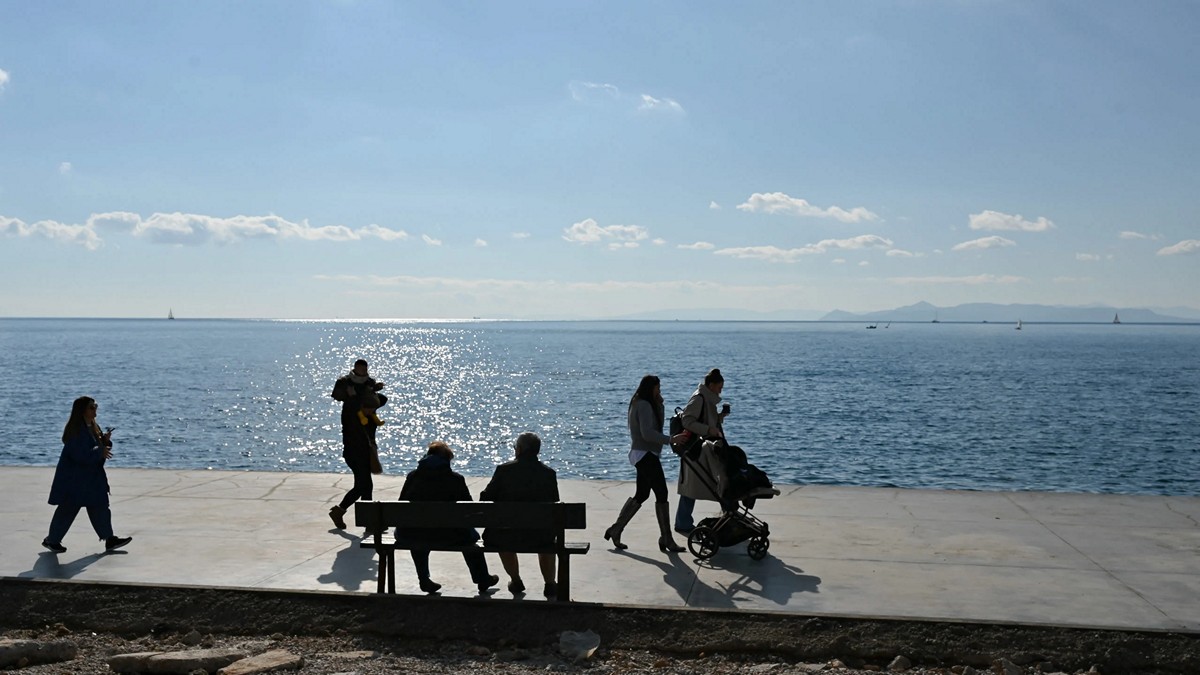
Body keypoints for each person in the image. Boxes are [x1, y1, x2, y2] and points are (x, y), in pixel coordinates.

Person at [396, 441, 500, 595]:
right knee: (470, 537)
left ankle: (424, 579)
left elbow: (401, 505)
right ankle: (482, 578)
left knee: (416, 532)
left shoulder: (413, 477)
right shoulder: (455, 479)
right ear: (446, 460)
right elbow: (469, 510)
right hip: (451, 535)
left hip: (413, 533)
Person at [603, 375, 689, 553]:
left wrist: (660, 404)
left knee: (642, 494)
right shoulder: (642, 404)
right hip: (644, 453)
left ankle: (616, 529)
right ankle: (666, 538)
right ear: (650, 388)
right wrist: (672, 439)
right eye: (657, 388)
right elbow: (647, 433)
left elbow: (654, 428)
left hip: (645, 453)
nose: (659, 390)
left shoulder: (646, 403)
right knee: (662, 492)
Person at [42, 396, 133, 553]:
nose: (95, 409)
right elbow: (79, 455)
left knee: (100, 507)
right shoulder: (76, 431)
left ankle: (109, 539)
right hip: (75, 480)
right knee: (67, 510)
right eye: (92, 407)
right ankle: (52, 540)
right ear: (82, 410)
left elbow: (93, 450)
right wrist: (100, 450)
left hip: (91, 479)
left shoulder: (93, 427)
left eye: (95, 406)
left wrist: (104, 442)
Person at [480, 432, 560, 599]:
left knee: (502, 536)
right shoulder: (548, 474)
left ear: (520, 449)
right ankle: (550, 584)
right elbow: (554, 503)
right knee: (547, 537)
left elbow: (486, 499)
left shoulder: (504, 470)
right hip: (539, 536)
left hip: (506, 534)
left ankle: (516, 580)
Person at [327, 359, 387, 530]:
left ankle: (352, 516)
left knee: (365, 485)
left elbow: (382, 399)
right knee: (363, 485)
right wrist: (353, 397)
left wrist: (373, 390)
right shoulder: (351, 414)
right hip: (353, 451)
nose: (372, 410)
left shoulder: (371, 418)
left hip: (366, 450)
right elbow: (345, 402)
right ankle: (344, 512)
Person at [674, 368, 731, 535]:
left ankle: (684, 521)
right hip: (697, 450)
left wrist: (720, 417)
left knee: (694, 486)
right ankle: (684, 522)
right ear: (712, 385)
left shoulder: (707, 399)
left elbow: (706, 419)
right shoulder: (699, 398)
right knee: (710, 483)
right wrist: (709, 429)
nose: (721, 391)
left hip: (702, 449)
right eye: (719, 387)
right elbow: (687, 421)